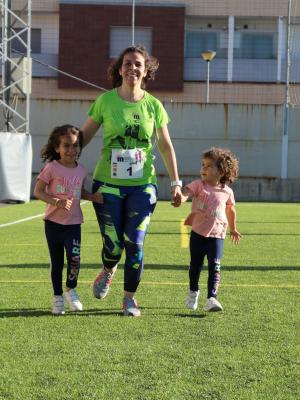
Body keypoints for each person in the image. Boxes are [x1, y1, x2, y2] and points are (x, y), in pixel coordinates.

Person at [79, 45, 182, 317]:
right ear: (119, 69)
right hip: (107, 184)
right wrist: (63, 159)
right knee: (113, 245)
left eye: (138, 63)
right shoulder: (105, 101)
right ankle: (108, 268)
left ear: (146, 70)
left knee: (135, 243)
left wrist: (176, 183)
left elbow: (165, 145)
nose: (132, 68)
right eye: (127, 63)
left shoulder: (154, 105)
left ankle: (129, 299)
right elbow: (85, 136)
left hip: (142, 185)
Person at [34, 124, 103, 315]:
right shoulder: (51, 168)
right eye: (66, 146)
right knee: (57, 262)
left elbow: (80, 192)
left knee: (74, 260)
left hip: (73, 224)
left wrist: (93, 197)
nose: (71, 150)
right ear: (57, 148)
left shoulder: (81, 170)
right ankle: (57, 297)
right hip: (53, 224)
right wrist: (54, 201)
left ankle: (71, 290)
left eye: (75, 146)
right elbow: (38, 191)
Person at [175, 147, 242, 312]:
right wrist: (180, 198)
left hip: (217, 235)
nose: (203, 168)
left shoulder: (227, 192)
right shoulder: (198, 185)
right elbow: (186, 193)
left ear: (221, 171)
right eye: (202, 164)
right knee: (195, 265)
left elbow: (230, 210)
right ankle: (193, 292)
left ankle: (212, 298)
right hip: (198, 234)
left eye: (208, 165)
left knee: (215, 266)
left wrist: (233, 229)